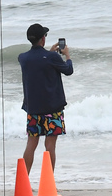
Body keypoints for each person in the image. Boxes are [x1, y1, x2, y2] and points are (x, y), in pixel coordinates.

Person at [17, 23, 74, 175]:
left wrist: (49, 54)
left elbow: (39, 62)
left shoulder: (23, 58)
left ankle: (23, 181)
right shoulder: (51, 57)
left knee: (31, 144)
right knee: (50, 146)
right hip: (52, 109)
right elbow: (68, 70)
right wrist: (67, 55)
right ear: (43, 39)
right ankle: (47, 182)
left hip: (33, 108)